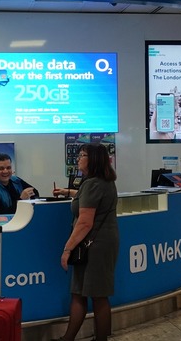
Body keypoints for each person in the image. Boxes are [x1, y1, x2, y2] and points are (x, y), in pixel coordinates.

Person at [54, 143, 119, 341]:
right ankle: (69, 338)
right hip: (102, 242)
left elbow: (84, 222)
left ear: (93, 160)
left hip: (95, 245)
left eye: (82, 155)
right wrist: (67, 192)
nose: (78, 158)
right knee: (80, 292)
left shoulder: (92, 183)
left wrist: (67, 249)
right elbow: (87, 198)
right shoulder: (102, 181)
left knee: (97, 296)